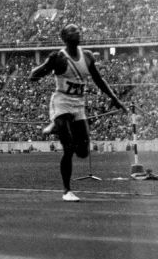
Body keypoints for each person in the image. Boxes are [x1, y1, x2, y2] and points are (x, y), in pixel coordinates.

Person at [29, 24, 127, 202]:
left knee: (82, 152)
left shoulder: (87, 56)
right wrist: (48, 64)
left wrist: (114, 98)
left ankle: (56, 126)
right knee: (68, 148)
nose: (77, 32)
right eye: (72, 31)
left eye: (78, 30)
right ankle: (67, 190)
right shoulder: (59, 57)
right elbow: (33, 76)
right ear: (64, 37)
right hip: (61, 103)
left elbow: (98, 79)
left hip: (78, 105)